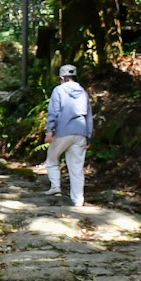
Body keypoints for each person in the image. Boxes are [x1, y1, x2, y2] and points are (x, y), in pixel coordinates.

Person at [45, 63, 93, 206]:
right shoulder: (83, 93)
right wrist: (88, 135)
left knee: (52, 157)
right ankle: (78, 200)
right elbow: (89, 116)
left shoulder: (59, 90)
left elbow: (54, 111)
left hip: (62, 131)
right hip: (81, 132)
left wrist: (50, 130)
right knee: (77, 167)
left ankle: (55, 187)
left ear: (62, 76)